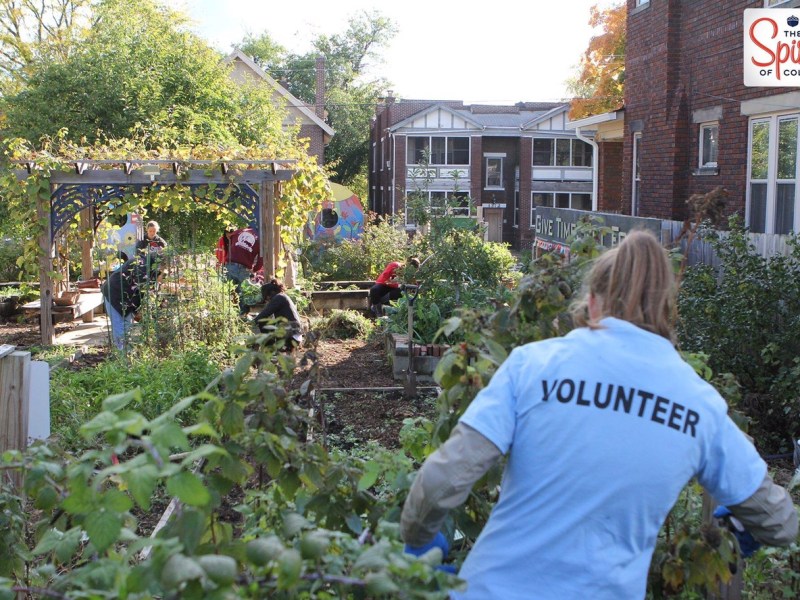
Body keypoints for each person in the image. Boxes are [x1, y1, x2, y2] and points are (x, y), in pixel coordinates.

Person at [400, 230, 798, 600]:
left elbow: (442, 480)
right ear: (667, 312)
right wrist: (742, 528)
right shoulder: (699, 404)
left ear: (592, 302)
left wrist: (419, 541)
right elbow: (780, 522)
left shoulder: (534, 366)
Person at [101, 248, 163, 350]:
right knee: (121, 329)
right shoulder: (142, 267)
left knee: (127, 327)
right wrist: (138, 311)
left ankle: (127, 354)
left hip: (124, 297)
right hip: (114, 295)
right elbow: (141, 293)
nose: (162, 280)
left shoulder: (146, 265)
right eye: (163, 275)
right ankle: (122, 355)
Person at [216, 226, 263, 315]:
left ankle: (228, 314)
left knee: (227, 292)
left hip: (230, 265)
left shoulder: (238, 232)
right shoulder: (260, 239)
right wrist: (255, 269)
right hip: (244, 269)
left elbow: (229, 243)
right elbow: (261, 259)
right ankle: (242, 315)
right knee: (243, 295)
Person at [253, 278, 303, 352]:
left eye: (267, 297)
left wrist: (251, 323)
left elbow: (264, 314)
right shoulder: (282, 296)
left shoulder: (278, 298)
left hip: (291, 336)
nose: (267, 299)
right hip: (294, 333)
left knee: (262, 322)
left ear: (271, 293)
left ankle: (271, 349)